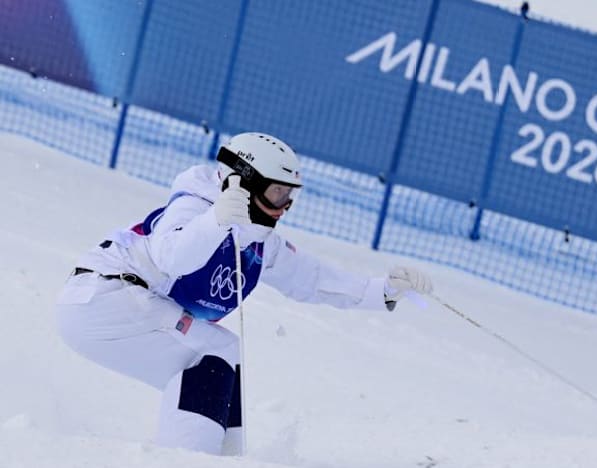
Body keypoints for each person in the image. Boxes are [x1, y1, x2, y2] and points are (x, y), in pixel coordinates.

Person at [55, 132, 433, 455]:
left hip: (127, 312)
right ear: (243, 182)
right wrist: (217, 219)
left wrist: (382, 291)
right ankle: (184, 459)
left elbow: (311, 278)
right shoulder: (194, 205)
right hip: (103, 296)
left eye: (289, 195)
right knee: (215, 350)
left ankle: (226, 456)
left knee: (223, 353)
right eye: (276, 192)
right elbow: (172, 257)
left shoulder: (258, 240)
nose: (283, 206)